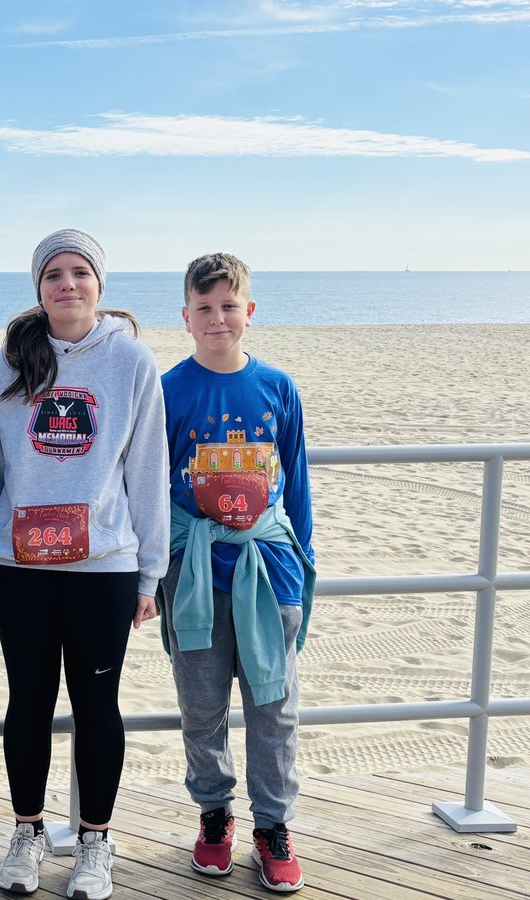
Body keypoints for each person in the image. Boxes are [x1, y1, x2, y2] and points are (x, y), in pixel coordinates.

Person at [0, 229, 169, 900]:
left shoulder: (133, 362)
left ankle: (95, 844)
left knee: (97, 705)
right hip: (19, 567)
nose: (68, 284)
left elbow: (147, 472)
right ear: (38, 287)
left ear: (99, 285)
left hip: (104, 569)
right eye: (54, 274)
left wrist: (150, 573)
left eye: (80, 272)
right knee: (27, 701)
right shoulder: (5, 365)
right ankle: (25, 834)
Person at [158, 252, 316, 893]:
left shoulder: (278, 386)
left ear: (249, 311)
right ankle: (215, 815)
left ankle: (273, 826)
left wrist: (302, 564)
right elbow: (149, 486)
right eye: (204, 308)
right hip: (194, 573)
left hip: (268, 570)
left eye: (229, 306)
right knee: (202, 709)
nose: (217, 318)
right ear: (187, 317)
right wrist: (155, 570)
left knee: (274, 708)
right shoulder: (168, 389)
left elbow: (297, 483)